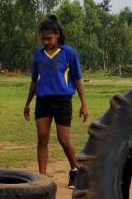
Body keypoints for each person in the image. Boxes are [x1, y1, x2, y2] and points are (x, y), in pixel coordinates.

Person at [23, 15, 88, 189]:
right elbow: (34, 81)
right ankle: (42, 178)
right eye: (43, 39)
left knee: (63, 139)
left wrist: (84, 103)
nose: (45, 42)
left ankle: (75, 171)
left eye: (49, 38)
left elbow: (78, 79)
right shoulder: (38, 55)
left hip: (62, 100)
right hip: (43, 100)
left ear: (57, 35)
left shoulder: (69, 53)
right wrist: (28, 102)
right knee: (42, 138)